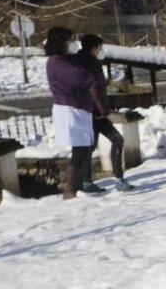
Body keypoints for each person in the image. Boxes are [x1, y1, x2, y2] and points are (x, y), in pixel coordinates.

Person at [44, 27, 99, 199]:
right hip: (71, 108)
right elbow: (81, 77)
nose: (73, 44)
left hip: (76, 107)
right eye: (70, 41)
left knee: (82, 148)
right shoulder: (57, 62)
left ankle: (75, 187)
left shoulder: (62, 60)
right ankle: (70, 190)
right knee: (81, 150)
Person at [76, 34, 134, 192]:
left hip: (85, 110)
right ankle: (119, 178)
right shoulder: (92, 63)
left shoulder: (78, 61)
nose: (101, 50)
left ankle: (87, 182)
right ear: (94, 47)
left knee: (89, 146)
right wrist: (105, 112)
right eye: (100, 47)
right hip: (96, 112)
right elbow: (94, 89)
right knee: (117, 140)